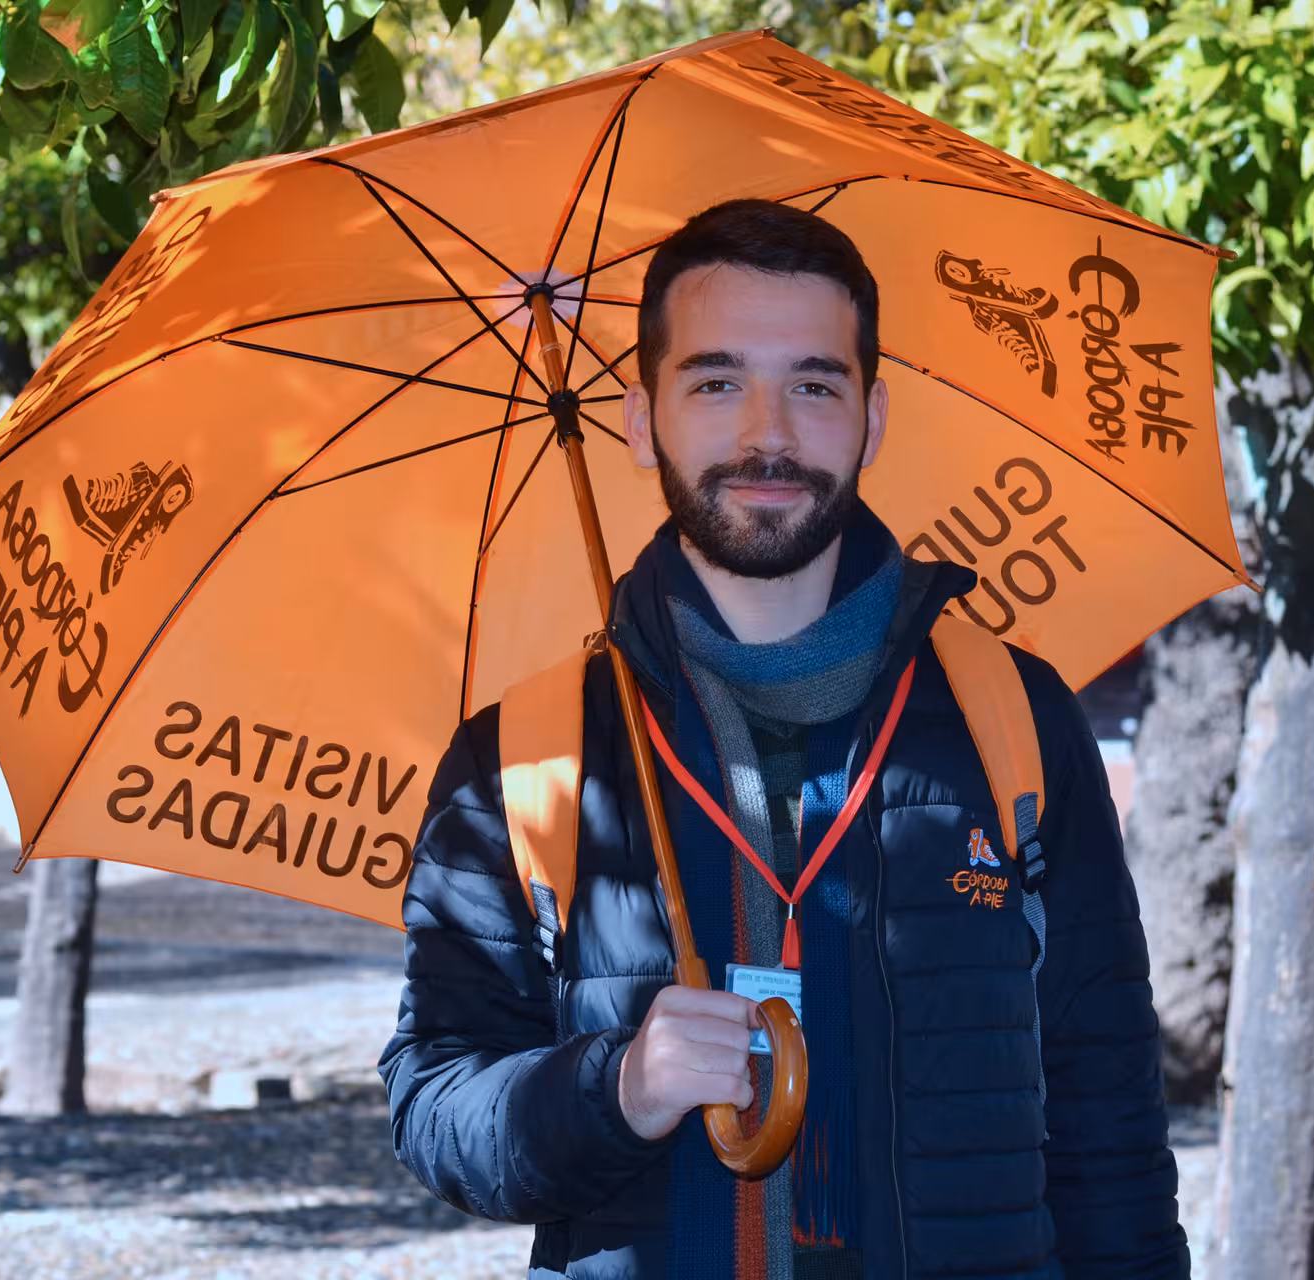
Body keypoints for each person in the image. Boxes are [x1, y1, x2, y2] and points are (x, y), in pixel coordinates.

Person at [378, 200, 1188, 1280]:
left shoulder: (1012, 718)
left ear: (873, 417)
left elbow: (1110, 1121)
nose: (769, 432)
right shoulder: (526, 754)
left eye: (814, 383)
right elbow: (435, 1099)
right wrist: (618, 1086)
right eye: (716, 382)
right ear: (637, 419)